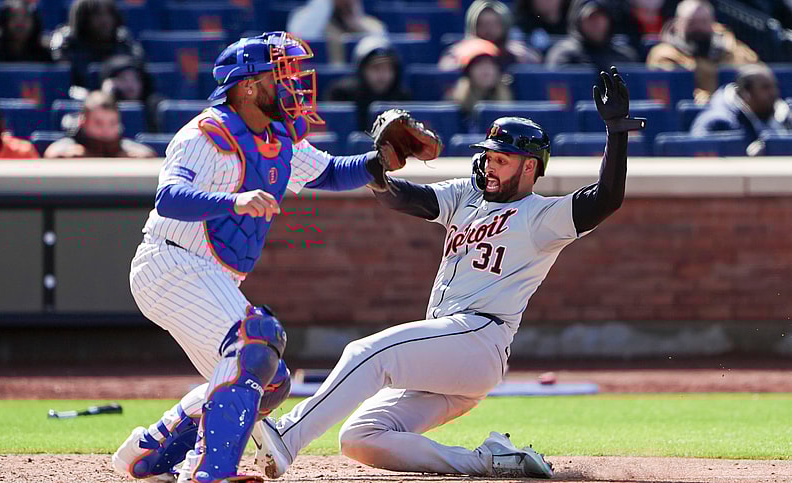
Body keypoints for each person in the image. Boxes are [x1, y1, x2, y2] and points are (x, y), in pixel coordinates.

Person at [251, 66, 645, 480]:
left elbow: (606, 199)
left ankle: (286, 435)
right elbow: (404, 199)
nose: (489, 165)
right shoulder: (466, 194)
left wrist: (617, 132)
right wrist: (377, 171)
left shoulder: (541, 216)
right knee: (360, 437)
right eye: (488, 155)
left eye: (502, 159)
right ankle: (490, 461)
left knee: (366, 353)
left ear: (530, 168)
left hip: (479, 340)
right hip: (447, 349)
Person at [109, 31, 425, 483]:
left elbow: (331, 172)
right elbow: (169, 198)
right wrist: (233, 201)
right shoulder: (205, 133)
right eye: (283, 74)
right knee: (255, 341)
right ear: (249, 85)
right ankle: (207, 472)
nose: (293, 84)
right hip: (171, 264)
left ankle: (149, 454)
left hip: (210, 273)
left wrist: (380, 161)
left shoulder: (277, 138)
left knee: (270, 380)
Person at [646, 0, 758, 104]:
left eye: (704, 22)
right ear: (678, 24)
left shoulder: (734, 50)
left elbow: (756, 75)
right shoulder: (663, 54)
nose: (698, 28)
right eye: (692, 23)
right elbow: (669, 90)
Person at [691, 64, 792, 155]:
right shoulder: (717, 121)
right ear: (746, 92)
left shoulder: (783, 113)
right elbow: (697, 155)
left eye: (775, 87)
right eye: (765, 88)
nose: (773, 93)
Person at [50, 0, 145, 88]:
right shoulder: (68, 46)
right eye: (97, 15)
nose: (105, 20)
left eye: (109, 14)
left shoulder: (124, 44)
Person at [326, 36, 411, 132]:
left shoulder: (402, 98)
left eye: (388, 69)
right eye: (375, 68)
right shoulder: (342, 95)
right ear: (362, 70)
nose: (382, 75)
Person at [43, 91, 155, 158]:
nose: (106, 130)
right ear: (83, 122)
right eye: (98, 123)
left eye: (112, 123)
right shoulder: (71, 146)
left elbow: (149, 155)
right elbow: (51, 154)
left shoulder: (124, 149)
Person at [440, 0, 541, 70]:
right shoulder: (459, 52)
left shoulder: (516, 52)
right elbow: (444, 70)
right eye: (482, 24)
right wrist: (463, 57)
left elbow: (537, 66)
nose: (489, 29)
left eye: (495, 24)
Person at [545, 0, 639, 70]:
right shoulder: (565, 56)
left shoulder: (624, 56)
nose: (596, 23)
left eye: (601, 17)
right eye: (591, 18)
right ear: (578, 21)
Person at [287, 0, 386, 65]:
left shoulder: (371, 25)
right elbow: (302, 37)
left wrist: (356, 23)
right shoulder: (303, 18)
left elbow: (381, 48)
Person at [447, 38, 512, 119]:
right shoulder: (453, 105)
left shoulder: (510, 103)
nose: (485, 70)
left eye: (490, 64)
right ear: (467, 73)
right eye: (478, 64)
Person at [99, 55, 164, 133]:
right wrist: (106, 95)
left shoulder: (154, 105)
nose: (130, 84)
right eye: (123, 78)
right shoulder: (110, 103)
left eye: (135, 79)